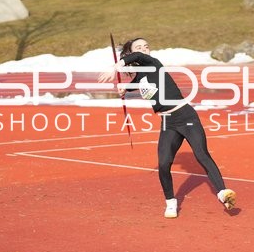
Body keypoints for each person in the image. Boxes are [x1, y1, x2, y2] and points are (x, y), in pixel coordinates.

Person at [99, 37, 236, 218]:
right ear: (131, 52)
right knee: (164, 164)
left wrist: (118, 65)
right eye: (139, 47)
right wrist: (126, 88)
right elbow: (140, 82)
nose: (144, 50)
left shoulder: (153, 63)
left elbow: (140, 57)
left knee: (201, 154)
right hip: (168, 122)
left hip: (186, 116)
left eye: (146, 46)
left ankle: (222, 193)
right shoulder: (142, 73)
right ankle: (171, 202)